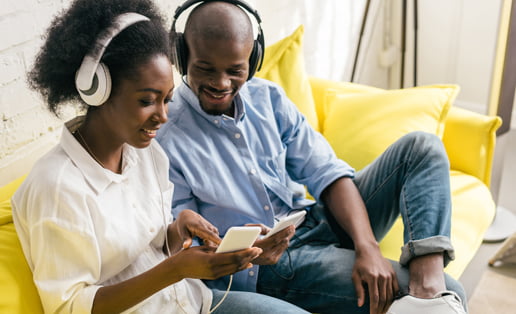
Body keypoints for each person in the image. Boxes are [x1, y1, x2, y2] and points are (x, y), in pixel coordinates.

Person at [156, 1, 469, 314]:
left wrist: (367, 247)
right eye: (205, 69)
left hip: (311, 220)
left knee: (421, 148)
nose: (222, 83)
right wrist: (252, 254)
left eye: (235, 71)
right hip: (270, 265)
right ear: (182, 57)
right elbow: (189, 251)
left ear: (253, 60)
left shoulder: (268, 98)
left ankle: (428, 291)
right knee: (452, 292)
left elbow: (327, 173)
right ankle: (432, 302)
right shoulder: (166, 136)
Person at [11, 0, 310, 313]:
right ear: (96, 90)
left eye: (167, 100)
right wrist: (176, 269)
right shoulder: (57, 187)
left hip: (196, 302)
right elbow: (69, 307)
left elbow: (151, 247)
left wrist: (179, 228)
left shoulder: (147, 153)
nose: (163, 116)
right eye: (147, 101)